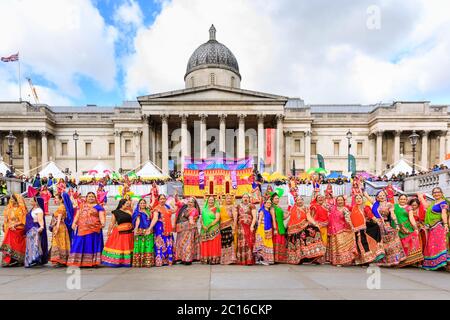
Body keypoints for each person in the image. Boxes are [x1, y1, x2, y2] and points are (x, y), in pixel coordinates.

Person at [67, 192, 106, 267]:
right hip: (81, 228)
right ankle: (78, 261)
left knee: (92, 244)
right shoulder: (81, 206)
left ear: (95, 198)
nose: (91, 198)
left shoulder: (99, 207)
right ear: (86, 198)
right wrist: (74, 223)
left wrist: (103, 223)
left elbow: (101, 216)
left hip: (94, 229)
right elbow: (77, 215)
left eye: (92, 196)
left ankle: (93, 262)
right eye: (89, 197)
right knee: (79, 243)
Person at [371, 191, 406, 267]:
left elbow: (393, 214)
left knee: (392, 242)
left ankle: (395, 260)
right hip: (377, 226)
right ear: (377, 197)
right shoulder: (375, 205)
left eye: (383, 195)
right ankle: (383, 261)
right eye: (380, 195)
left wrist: (396, 224)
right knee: (381, 243)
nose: (382, 196)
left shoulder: (389, 204)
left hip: (386, 224)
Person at [287, 195, 325, 264]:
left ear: (303, 201)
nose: (299, 201)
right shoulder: (292, 208)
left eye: (301, 200)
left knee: (314, 231)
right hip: (293, 230)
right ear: (296, 201)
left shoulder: (306, 208)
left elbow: (308, 217)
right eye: (298, 200)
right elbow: (289, 217)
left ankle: (312, 256)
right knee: (297, 244)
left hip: (303, 226)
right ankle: (298, 259)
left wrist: (315, 223)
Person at [350, 194, 385, 265]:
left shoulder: (365, 207)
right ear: (355, 200)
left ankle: (367, 260)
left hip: (365, 229)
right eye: (357, 198)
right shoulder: (353, 208)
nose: (358, 199)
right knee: (358, 244)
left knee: (365, 244)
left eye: (360, 198)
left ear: (362, 200)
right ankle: (360, 260)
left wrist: (377, 221)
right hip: (356, 230)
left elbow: (370, 215)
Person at [421, 187, 449, 270]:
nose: (436, 194)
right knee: (431, 245)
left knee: (439, 244)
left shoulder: (443, 203)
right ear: (432, 194)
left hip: (439, 226)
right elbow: (426, 207)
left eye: (438, 192)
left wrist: (446, 224)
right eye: (434, 192)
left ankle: (441, 263)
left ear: (441, 193)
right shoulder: (433, 203)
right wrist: (421, 197)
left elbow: (444, 214)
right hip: (431, 227)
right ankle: (433, 264)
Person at [102, 199, 134, 267]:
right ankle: (119, 261)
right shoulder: (116, 212)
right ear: (122, 204)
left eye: (128, 204)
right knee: (121, 246)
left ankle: (128, 261)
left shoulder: (129, 211)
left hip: (129, 232)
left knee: (128, 246)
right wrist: (109, 231)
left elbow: (133, 220)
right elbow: (112, 223)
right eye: (127, 204)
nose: (128, 205)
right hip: (120, 233)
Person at [393, 194, 424, 267]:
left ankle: (407, 261)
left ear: (406, 200)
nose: (402, 200)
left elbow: (411, 218)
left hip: (407, 228)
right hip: (397, 227)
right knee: (399, 245)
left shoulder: (409, 208)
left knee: (407, 245)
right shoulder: (395, 206)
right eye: (401, 199)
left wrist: (415, 228)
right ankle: (399, 261)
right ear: (398, 200)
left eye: (404, 199)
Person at [326, 196, 356, 266]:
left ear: (343, 201)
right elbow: (322, 204)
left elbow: (348, 218)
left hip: (341, 229)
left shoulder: (345, 209)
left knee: (340, 246)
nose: (340, 201)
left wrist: (351, 227)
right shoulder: (332, 208)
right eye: (338, 200)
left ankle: (342, 261)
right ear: (336, 201)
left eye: (341, 200)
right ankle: (336, 261)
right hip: (333, 230)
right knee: (335, 246)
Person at [1, 194, 27, 267]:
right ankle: (10, 259)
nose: (11, 200)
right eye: (11, 199)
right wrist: (4, 225)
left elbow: (22, 220)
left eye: (13, 199)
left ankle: (17, 259)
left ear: (16, 200)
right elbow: (6, 219)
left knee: (11, 236)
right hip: (9, 227)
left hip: (18, 228)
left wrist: (14, 225)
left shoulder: (20, 209)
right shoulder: (9, 208)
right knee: (9, 236)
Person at [174, 197, 201, 265]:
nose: (190, 203)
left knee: (188, 244)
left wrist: (191, 221)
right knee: (181, 244)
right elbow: (177, 204)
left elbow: (191, 217)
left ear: (194, 204)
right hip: (181, 229)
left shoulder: (194, 210)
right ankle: (182, 258)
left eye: (191, 202)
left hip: (189, 229)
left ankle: (187, 259)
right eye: (189, 201)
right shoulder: (184, 208)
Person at [24, 197, 49, 267]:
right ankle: (30, 260)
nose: (30, 202)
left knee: (35, 245)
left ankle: (35, 259)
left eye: (31, 201)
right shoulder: (32, 209)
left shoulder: (39, 210)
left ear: (36, 202)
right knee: (30, 245)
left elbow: (40, 220)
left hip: (34, 229)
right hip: (29, 230)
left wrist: (41, 227)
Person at [132, 199, 157, 267]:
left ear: (146, 204)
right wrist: (136, 228)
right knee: (141, 246)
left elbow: (153, 202)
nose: (142, 204)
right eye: (141, 203)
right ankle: (139, 262)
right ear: (139, 204)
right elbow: (137, 221)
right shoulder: (137, 212)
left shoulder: (148, 211)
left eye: (144, 203)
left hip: (148, 231)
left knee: (148, 246)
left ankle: (148, 262)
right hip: (140, 231)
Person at [49, 194, 71, 266]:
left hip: (60, 227)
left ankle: (60, 259)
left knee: (58, 243)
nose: (55, 200)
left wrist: (57, 228)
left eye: (56, 198)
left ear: (61, 199)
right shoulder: (61, 207)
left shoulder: (61, 207)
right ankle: (61, 259)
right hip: (61, 227)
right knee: (61, 243)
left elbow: (59, 218)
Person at [153, 194, 175, 266]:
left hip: (168, 229)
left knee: (168, 243)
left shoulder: (167, 207)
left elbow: (175, 210)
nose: (162, 200)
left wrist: (173, 203)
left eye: (164, 199)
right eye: (161, 199)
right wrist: (150, 228)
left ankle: (169, 260)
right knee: (160, 244)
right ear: (158, 200)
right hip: (160, 228)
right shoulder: (156, 208)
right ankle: (160, 261)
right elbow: (155, 219)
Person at [235, 193, 257, 265]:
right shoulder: (238, 206)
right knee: (242, 242)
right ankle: (242, 260)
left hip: (249, 226)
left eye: (247, 197)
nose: (245, 198)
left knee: (249, 241)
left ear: (249, 198)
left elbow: (254, 217)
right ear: (242, 198)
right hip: (241, 227)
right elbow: (235, 217)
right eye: (244, 197)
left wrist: (252, 226)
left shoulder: (252, 206)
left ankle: (249, 260)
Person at [200, 195, 221, 264]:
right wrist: (203, 225)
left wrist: (208, 226)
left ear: (214, 201)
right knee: (206, 243)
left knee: (213, 244)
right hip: (204, 229)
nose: (211, 201)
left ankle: (214, 259)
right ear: (207, 201)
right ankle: (206, 259)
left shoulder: (216, 209)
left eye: (212, 200)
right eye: (209, 200)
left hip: (213, 228)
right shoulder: (204, 209)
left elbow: (217, 219)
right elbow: (201, 219)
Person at [254, 198, 275, 265]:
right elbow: (259, 220)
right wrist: (258, 229)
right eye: (267, 203)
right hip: (262, 228)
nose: (269, 204)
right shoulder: (262, 211)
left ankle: (267, 259)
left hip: (268, 229)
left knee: (268, 244)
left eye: (270, 203)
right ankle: (261, 259)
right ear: (264, 204)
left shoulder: (269, 211)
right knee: (262, 244)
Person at [310, 194, 330, 259]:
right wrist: (314, 225)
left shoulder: (326, 206)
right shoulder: (314, 206)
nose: (320, 198)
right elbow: (312, 217)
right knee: (317, 241)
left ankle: (323, 257)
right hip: (317, 227)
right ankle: (316, 257)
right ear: (316, 199)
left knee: (324, 241)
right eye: (319, 197)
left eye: (322, 197)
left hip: (325, 226)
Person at [219, 194, 237, 265]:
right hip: (222, 227)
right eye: (227, 198)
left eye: (230, 199)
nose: (228, 200)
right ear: (225, 199)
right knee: (224, 243)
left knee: (231, 242)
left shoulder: (233, 207)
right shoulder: (221, 207)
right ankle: (224, 259)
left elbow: (235, 218)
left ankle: (231, 259)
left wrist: (234, 227)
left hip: (230, 226)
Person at [271, 192, 288, 263]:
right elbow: (273, 218)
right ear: (272, 199)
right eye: (276, 198)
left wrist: (288, 215)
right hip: (276, 226)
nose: (277, 200)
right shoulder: (272, 207)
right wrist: (275, 228)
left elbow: (282, 218)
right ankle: (276, 258)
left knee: (281, 240)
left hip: (281, 226)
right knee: (276, 240)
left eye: (278, 198)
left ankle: (280, 258)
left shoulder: (279, 207)